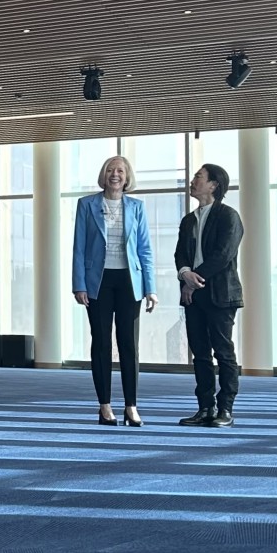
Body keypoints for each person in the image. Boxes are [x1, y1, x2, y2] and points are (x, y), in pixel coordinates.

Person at [71, 156, 157, 426]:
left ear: (127, 176)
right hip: (99, 281)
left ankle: (131, 406)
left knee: (129, 344)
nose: (115, 174)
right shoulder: (86, 205)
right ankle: (105, 405)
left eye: (120, 170)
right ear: (103, 174)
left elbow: (145, 250)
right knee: (101, 343)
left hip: (130, 281)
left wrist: (150, 288)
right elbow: (79, 247)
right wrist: (79, 284)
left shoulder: (137, 207)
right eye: (110, 169)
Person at [177, 162, 244, 427]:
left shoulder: (229, 216)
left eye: (198, 177)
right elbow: (180, 254)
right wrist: (185, 273)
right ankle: (205, 407)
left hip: (221, 294)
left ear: (213, 185)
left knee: (224, 352)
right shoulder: (188, 220)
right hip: (193, 295)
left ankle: (225, 408)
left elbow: (223, 255)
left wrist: (193, 280)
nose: (193, 180)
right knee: (200, 354)